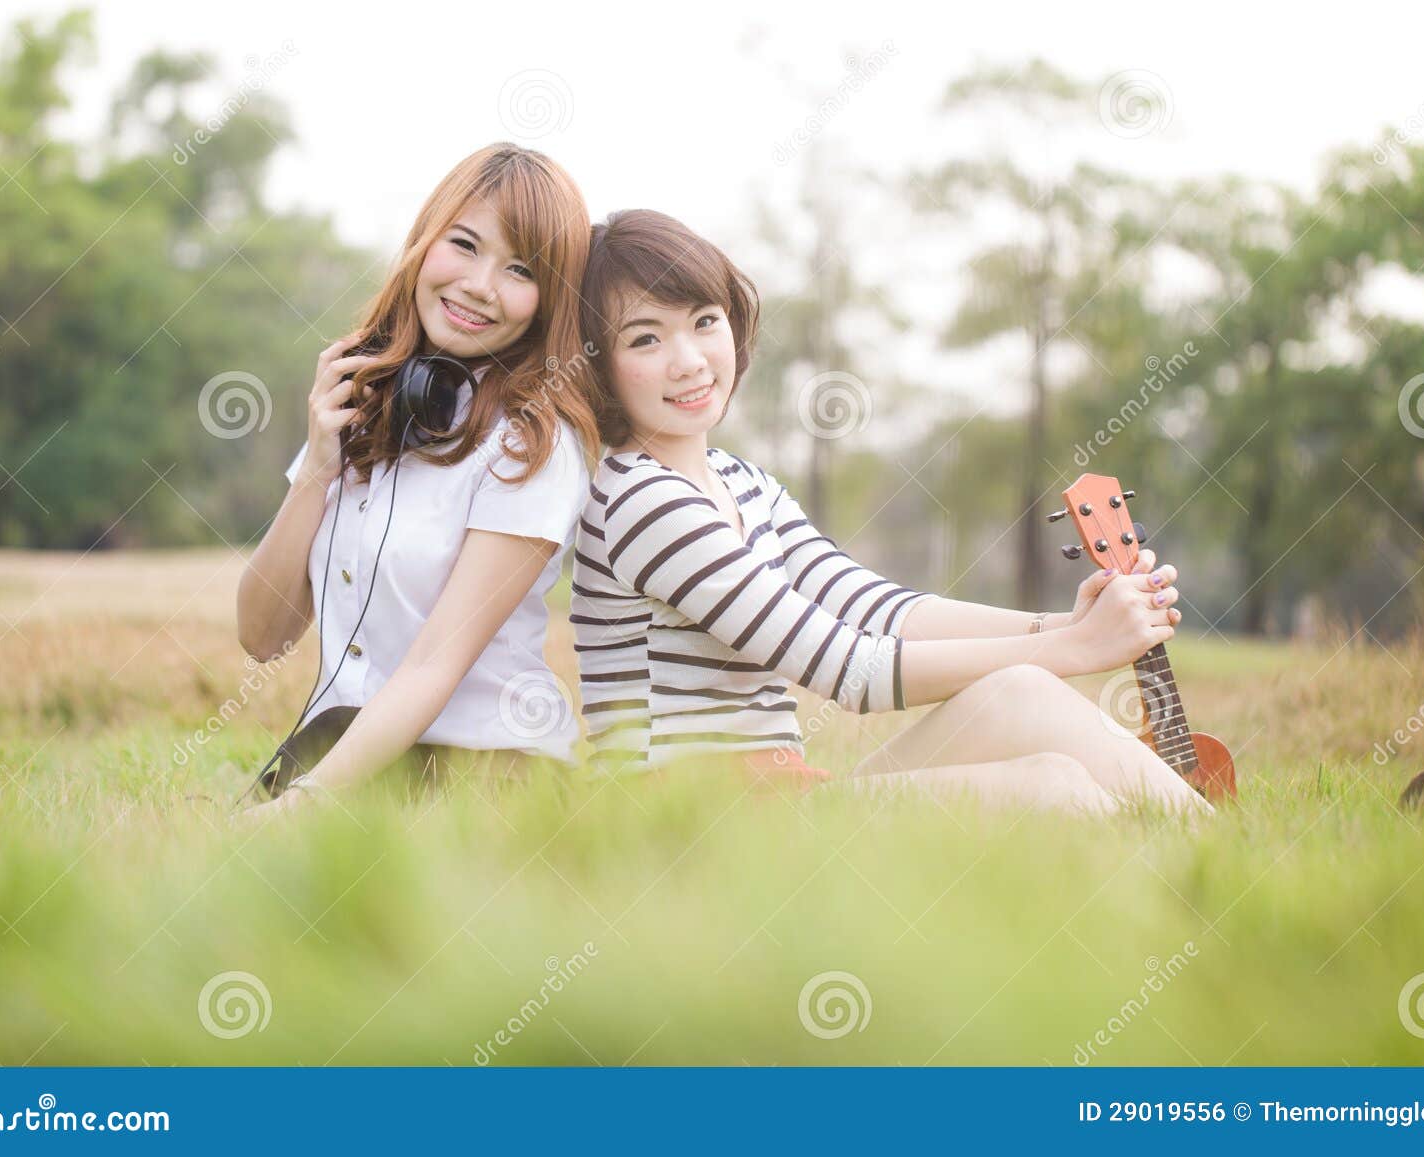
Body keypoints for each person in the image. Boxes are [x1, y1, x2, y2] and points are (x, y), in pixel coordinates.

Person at [570, 209, 1212, 818]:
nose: (689, 360)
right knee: (1052, 787)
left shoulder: (743, 483)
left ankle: (1212, 850)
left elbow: (876, 609)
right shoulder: (641, 500)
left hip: (781, 798)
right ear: (597, 364)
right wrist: (1079, 648)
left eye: (705, 321)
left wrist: (1057, 626)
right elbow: (850, 670)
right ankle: (1200, 886)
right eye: (645, 338)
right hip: (686, 827)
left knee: (1024, 692)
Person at [234, 144, 599, 821]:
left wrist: (302, 807)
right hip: (347, 744)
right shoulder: (370, 396)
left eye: (520, 269)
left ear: (548, 302)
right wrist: (317, 465)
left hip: (484, 770)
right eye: (464, 245)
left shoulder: (533, 442)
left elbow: (436, 663)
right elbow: (262, 634)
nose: (481, 285)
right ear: (425, 239)